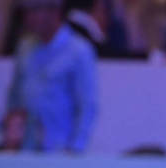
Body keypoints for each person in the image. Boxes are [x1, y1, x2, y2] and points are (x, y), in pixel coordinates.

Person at [6, 0, 98, 152]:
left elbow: (87, 106)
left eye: (34, 10)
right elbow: (15, 97)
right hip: (25, 150)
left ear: (54, 11)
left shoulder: (78, 51)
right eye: (26, 11)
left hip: (61, 151)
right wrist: (11, 134)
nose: (28, 17)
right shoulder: (24, 48)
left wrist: (75, 149)